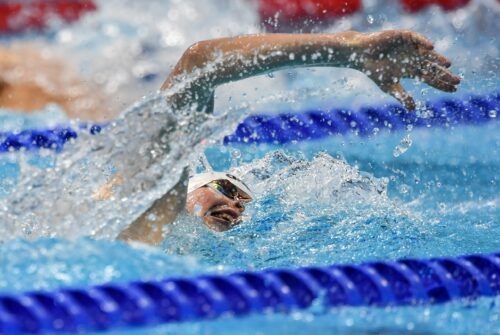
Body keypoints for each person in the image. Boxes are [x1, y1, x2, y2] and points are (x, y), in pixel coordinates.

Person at [0, 30, 460, 244]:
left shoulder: (143, 224)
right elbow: (199, 62)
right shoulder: (134, 211)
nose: (233, 206)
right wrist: (350, 50)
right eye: (223, 189)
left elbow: (200, 63)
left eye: (234, 195)